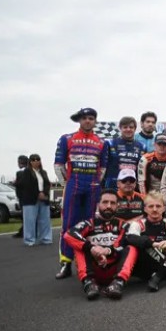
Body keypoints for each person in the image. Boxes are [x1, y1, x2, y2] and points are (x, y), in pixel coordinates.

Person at [54, 107, 109, 279]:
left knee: (90, 225)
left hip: (92, 187)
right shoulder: (66, 139)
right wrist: (68, 183)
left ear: (95, 121)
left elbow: (103, 168)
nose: (87, 121)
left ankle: (87, 262)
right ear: (79, 120)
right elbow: (58, 165)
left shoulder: (102, 142)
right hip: (73, 185)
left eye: (91, 118)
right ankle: (65, 263)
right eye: (85, 118)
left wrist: (95, 183)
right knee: (68, 225)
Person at [63, 190, 136, 300]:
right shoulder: (88, 223)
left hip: (115, 269)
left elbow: (122, 243)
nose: (108, 206)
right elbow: (68, 235)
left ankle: (118, 283)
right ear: (98, 205)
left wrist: (107, 251)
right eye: (105, 202)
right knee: (78, 246)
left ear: (117, 206)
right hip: (93, 269)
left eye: (112, 203)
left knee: (132, 247)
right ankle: (89, 283)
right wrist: (92, 248)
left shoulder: (124, 225)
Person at [16, 154, 52, 246]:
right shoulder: (27, 172)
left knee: (45, 220)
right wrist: (38, 194)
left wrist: (44, 193)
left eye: (37, 159)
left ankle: (45, 238)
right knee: (30, 220)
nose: (35, 161)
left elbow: (47, 184)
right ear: (30, 162)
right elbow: (27, 185)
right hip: (30, 199)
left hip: (43, 198)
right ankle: (29, 239)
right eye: (33, 160)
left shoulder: (43, 172)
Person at [104, 116, 146, 190]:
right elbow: (102, 166)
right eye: (125, 127)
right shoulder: (110, 143)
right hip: (112, 186)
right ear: (120, 128)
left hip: (132, 187)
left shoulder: (142, 146)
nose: (128, 129)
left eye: (131, 127)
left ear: (135, 129)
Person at [12, 155, 30, 238]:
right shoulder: (30, 171)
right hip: (28, 196)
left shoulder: (20, 172)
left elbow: (21, 184)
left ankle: (24, 231)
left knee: (25, 215)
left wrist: (14, 183)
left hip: (23, 196)